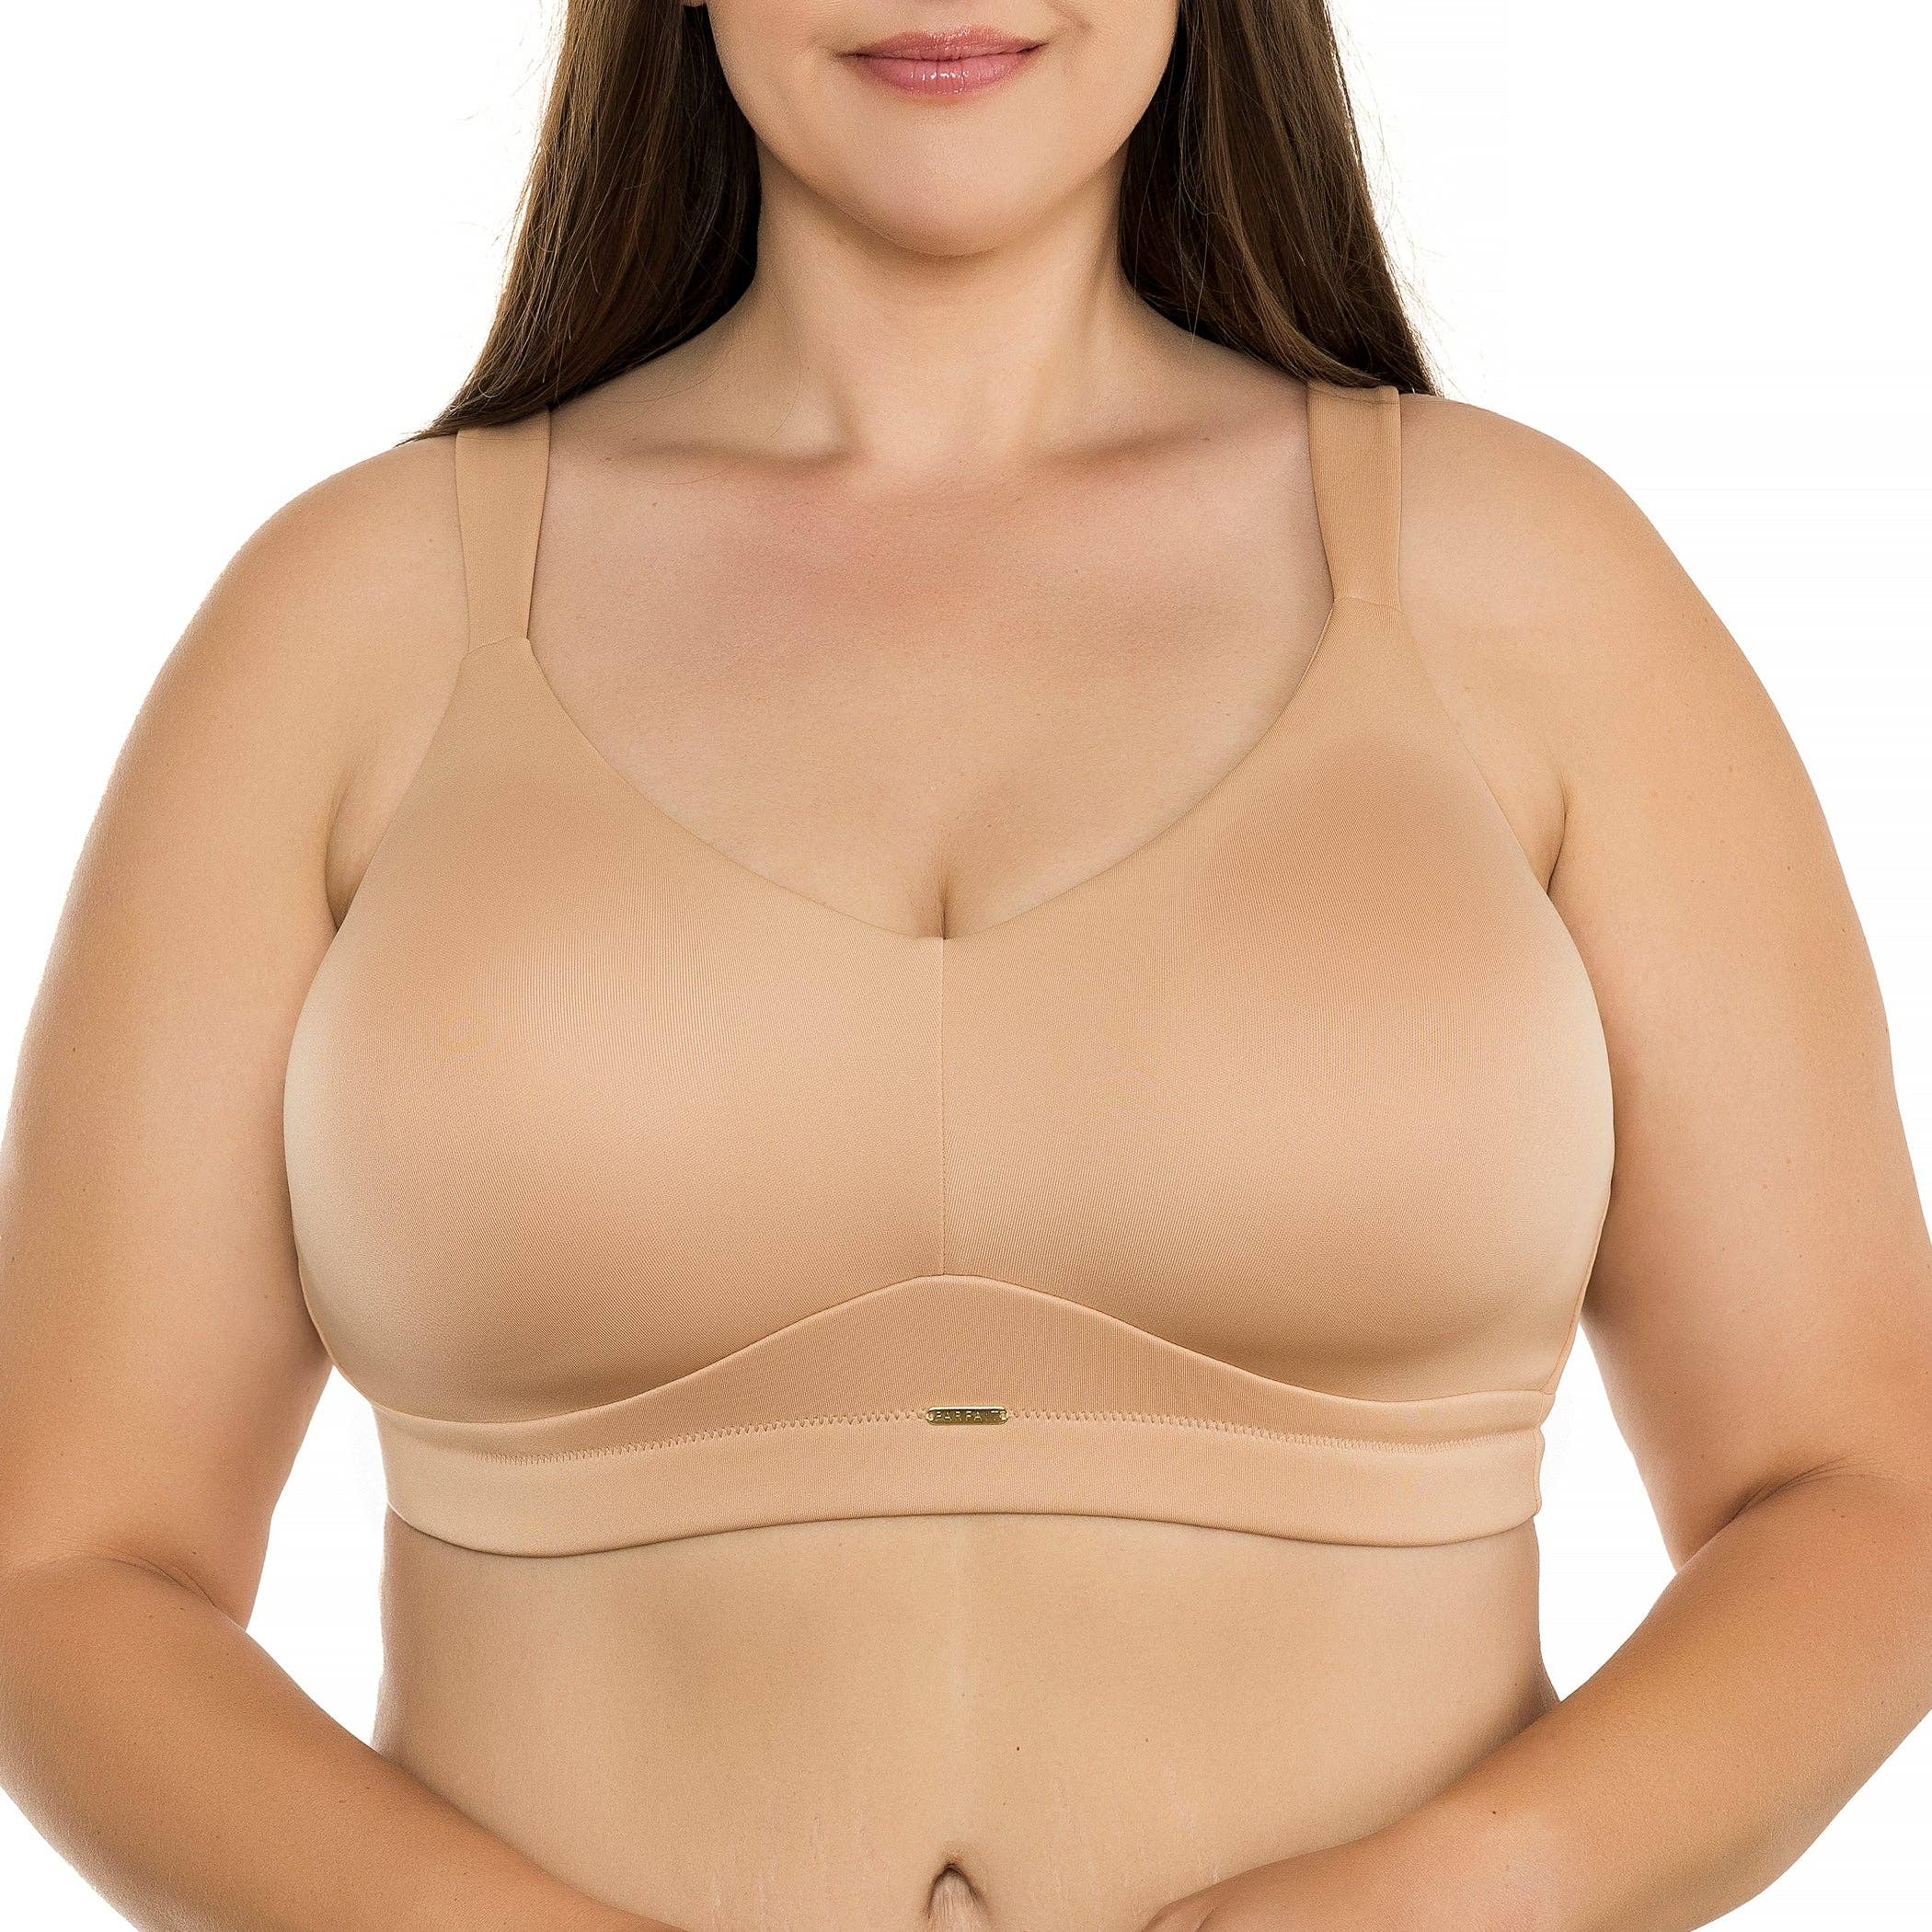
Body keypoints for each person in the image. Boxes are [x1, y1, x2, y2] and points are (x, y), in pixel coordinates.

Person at [3, 3, 1930, 1930]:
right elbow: (62, 1573)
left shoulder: (1530, 584)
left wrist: (1459, 1901)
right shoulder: (353, 624)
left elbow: (1868, 1490)